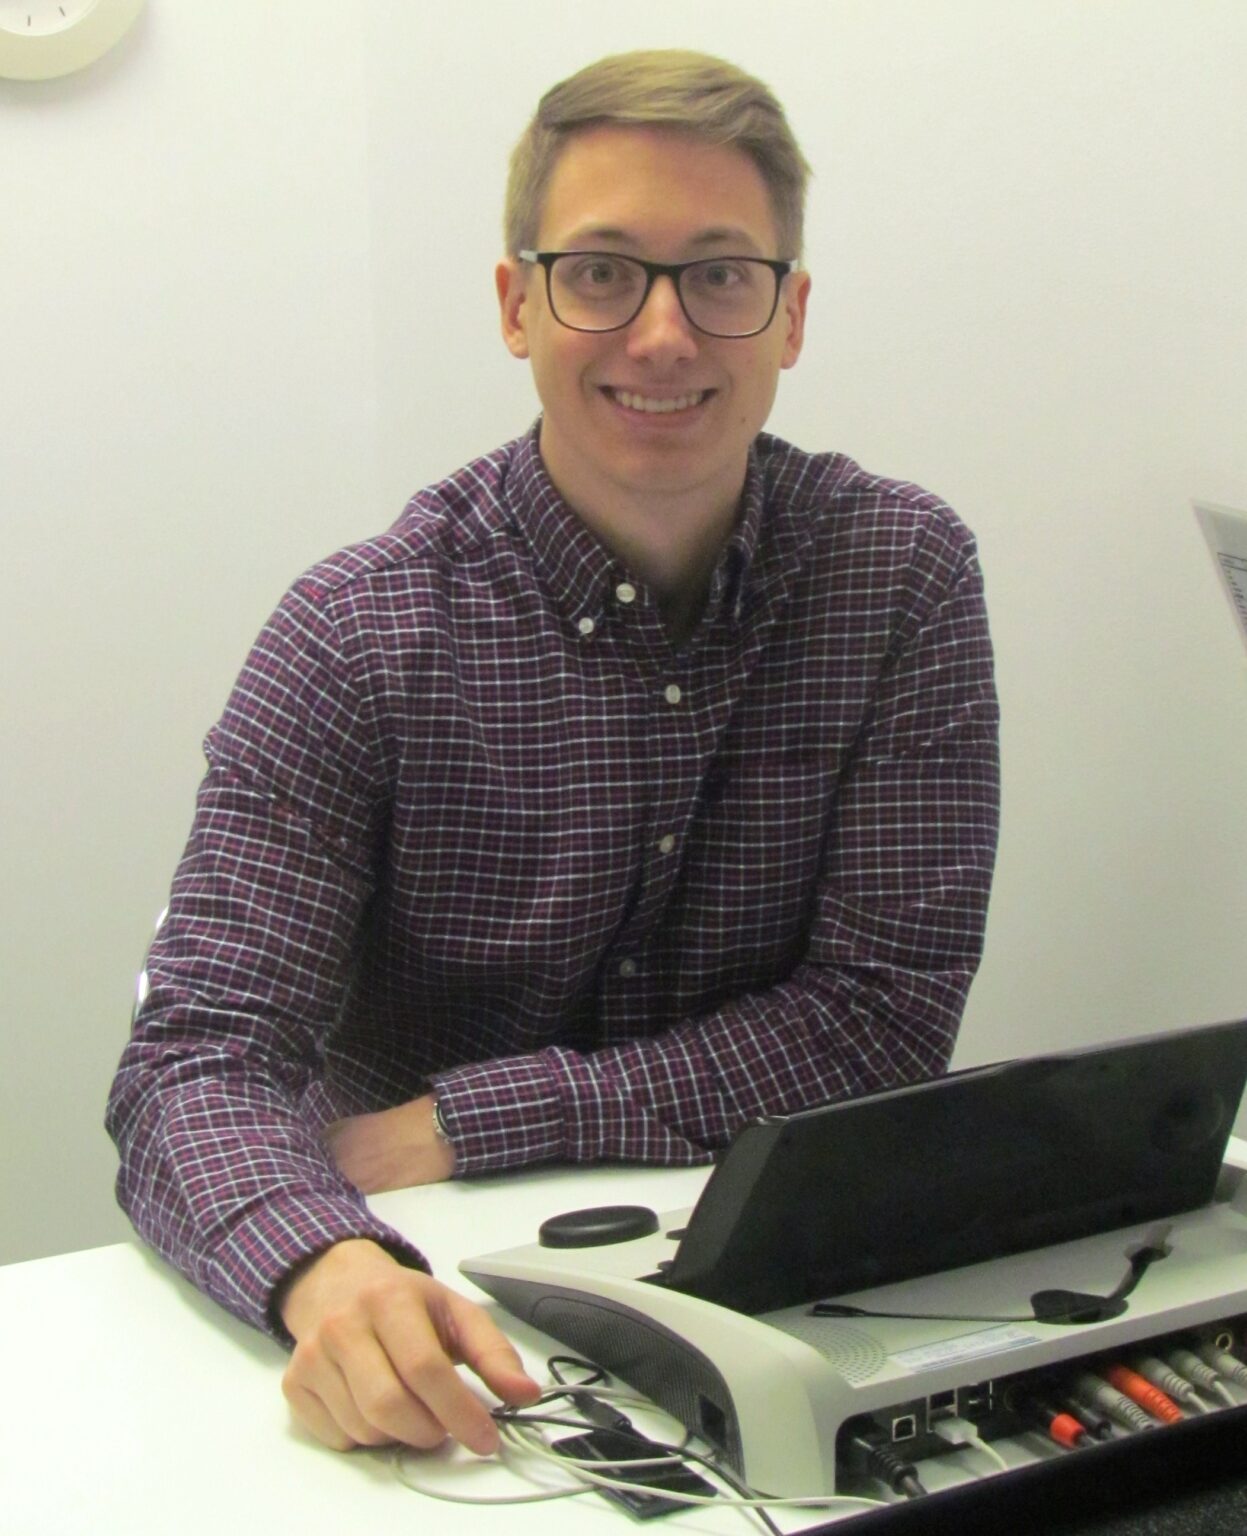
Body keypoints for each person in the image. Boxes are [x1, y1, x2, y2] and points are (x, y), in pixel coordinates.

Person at [107, 49, 1000, 1461]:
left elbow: (881, 1018)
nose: (663, 334)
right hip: (418, 1286)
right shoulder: (357, 629)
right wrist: (323, 1269)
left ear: (791, 316)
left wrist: (468, 1117)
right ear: (518, 304)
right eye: (600, 273)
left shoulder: (900, 576)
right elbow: (193, 1058)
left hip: (765, 1286)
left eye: (721, 274)